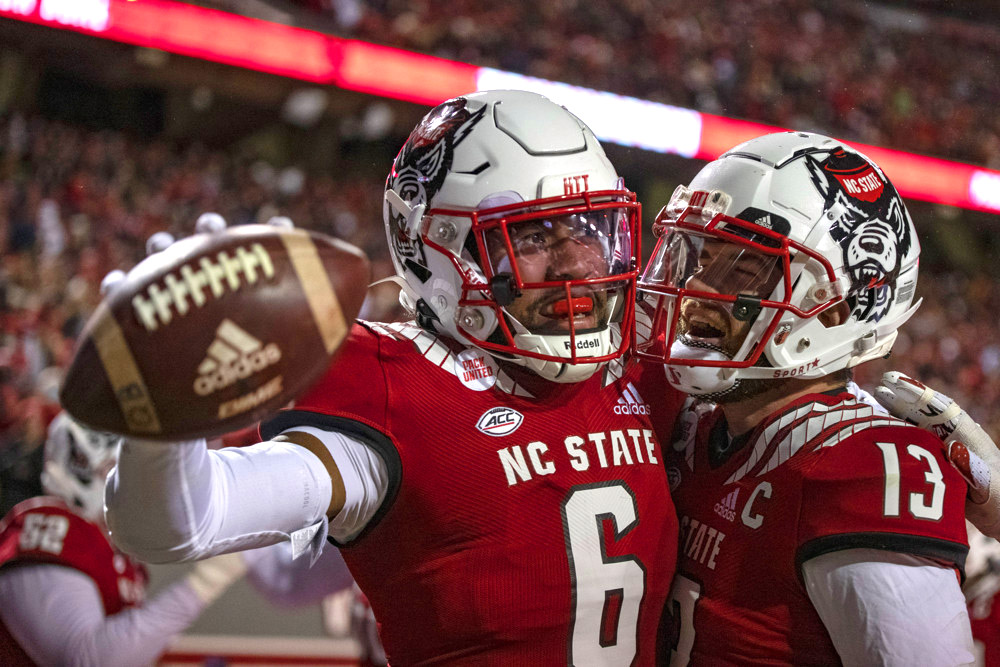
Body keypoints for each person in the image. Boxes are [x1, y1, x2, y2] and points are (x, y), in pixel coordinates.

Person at [104, 90, 685, 665]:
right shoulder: (395, 386)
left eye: (589, 229)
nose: (578, 264)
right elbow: (173, 526)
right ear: (433, 248)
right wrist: (164, 408)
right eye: (533, 236)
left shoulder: (635, 373)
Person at [635, 131, 974, 664]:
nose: (698, 287)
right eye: (701, 258)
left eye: (742, 269)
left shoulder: (865, 469)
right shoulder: (696, 428)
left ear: (835, 310)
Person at [0, 412, 250, 665]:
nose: (143, 487)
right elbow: (90, 661)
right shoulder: (53, 528)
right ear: (83, 468)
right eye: (124, 472)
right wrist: (204, 583)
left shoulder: (111, 547)